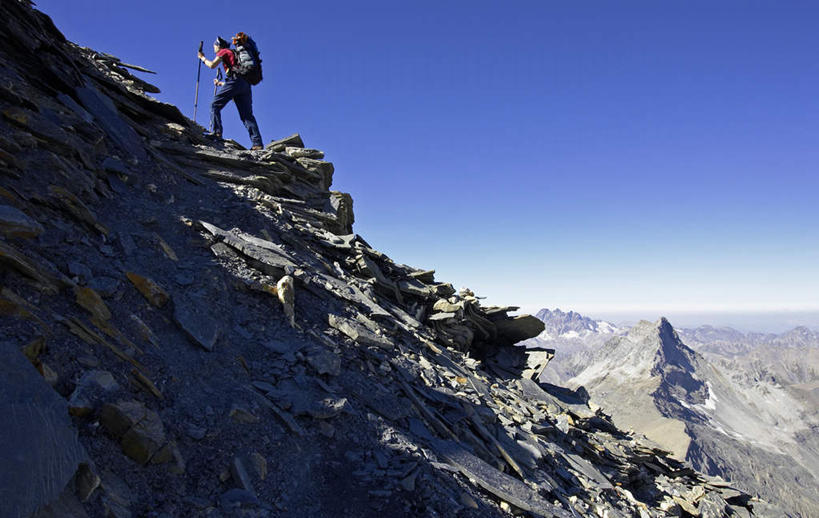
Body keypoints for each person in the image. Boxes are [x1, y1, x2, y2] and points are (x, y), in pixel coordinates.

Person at [197, 37, 263, 150]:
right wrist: (221, 84)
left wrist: (202, 58)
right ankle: (257, 143)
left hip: (235, 81)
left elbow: (212, 65)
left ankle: (217, 133)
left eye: (214, 46)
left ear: (219, 45)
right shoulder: (234, 54)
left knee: (214, 105)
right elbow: (236, 84)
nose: (214, 48)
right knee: (247, 116)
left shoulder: (224, 51)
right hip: (245, 84)